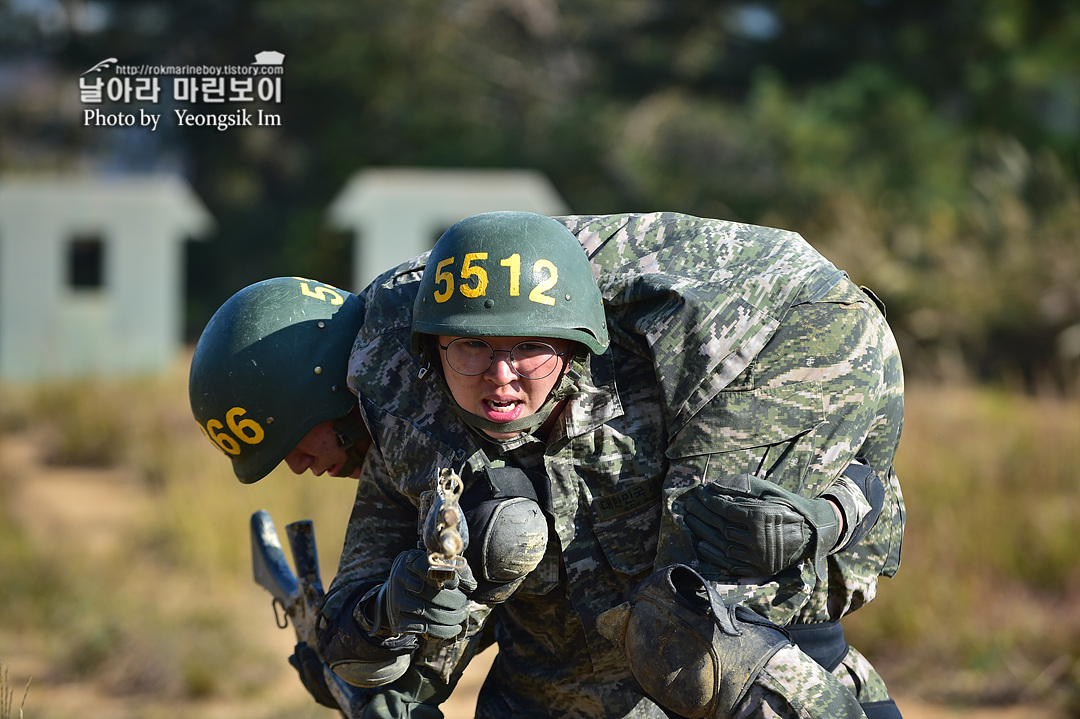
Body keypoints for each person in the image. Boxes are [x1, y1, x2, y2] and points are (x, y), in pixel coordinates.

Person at [314, 211, 905, 718]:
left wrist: (838, 510)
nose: (500, 376)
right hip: (554, 674)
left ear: (573, 348)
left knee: (698, 621)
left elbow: (859, 487)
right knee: (508, 540)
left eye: (527, 348)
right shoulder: (413, 418)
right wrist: (396, 609)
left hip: (781, 333)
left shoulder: (650, 393)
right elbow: (353, 622)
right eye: (471, 346)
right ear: (431, 353)